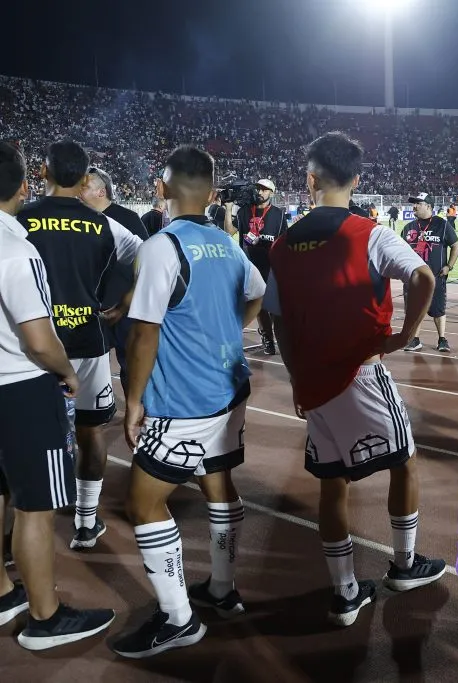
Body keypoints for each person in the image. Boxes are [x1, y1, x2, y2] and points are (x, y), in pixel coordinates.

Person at [265, 132, 446, 628]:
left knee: (332, 482)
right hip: (362, 373)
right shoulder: (371, 233)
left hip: (314, 383)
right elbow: (424, 278)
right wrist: (406, 335)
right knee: (405, 463)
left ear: (309, 179)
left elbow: (277, 322)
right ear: (357, 180)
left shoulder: (282, 246)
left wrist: (297, 378)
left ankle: (345, 593)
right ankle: (406, 566)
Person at [111, 146, 265, 658]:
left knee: (144, 501)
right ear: (214, 194)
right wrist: (229, 329)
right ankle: (222, 589)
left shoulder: (162, 247)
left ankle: (178, 619)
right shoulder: (226, 242)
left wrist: (133, 401)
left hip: (184, 400)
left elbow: (144, 335)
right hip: (230, 388)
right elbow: (258, 291)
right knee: (218, 482)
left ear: (161, 189)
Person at [0, 141, 116, 650]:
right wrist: (66, 372)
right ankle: (45, 619)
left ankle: (4, 591)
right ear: (24, 183)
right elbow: (38, 338)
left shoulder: (26, 228)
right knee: (36, 507)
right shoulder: (15, 248)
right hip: (22, 388)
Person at [16, 140, 143, 552]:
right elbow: (153, 260)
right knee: (91, 433)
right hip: (87, 342)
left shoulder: (19, 219)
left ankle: (18, 535)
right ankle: (86, 523)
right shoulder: (104, 225)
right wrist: (126, 301)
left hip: (30, 347)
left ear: (42, 173)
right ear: (86, 179)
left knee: (25, 436)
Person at [79, 165, 151, 396]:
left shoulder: (127, 218)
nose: (79, 190)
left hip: (124, 309)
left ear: (101, 192)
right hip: (91, 308)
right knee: (87, 364)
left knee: (130, 364)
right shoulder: (78, 219)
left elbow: (147, 262)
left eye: (85, 186)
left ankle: (137, 410)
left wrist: (125, 304)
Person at [225, 178, 286, 355]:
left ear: (271, 193)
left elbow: (284, 241)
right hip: (250, 264)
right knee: (258, 305)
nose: (260, 192)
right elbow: (229, 232)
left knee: (274, 307)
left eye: (265, 190)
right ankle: (267, 338)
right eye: (258, 188)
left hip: (272, 266)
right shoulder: (245, 212)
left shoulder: (278, 214)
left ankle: (281, 338)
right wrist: (228, 210)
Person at [400, 192, 458, 353]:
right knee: (414, 310)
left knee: (438, 310)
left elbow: (455, 245)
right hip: (413, 278)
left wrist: (449, 266)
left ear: (428, 206)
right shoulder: (408, 227)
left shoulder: (442, 224)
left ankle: (442, 339)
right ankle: (415, 340)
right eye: (414, 203)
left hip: (436, 276)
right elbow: (401, 252)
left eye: (418, 203)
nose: (414, 206)